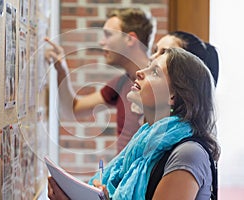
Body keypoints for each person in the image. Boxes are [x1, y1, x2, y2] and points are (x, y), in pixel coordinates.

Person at [48, 47, 220, 199]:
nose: (140, 72)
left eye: (154, 72)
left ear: (172, 96)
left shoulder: (188, 154)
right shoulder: (145, 142)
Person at [45, 8, 156, 153]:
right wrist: (62, 70)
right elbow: (73, 109)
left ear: (130, 39)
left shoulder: (161, 85)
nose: (102, 42)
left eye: (108, 35)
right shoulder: (120, 83)